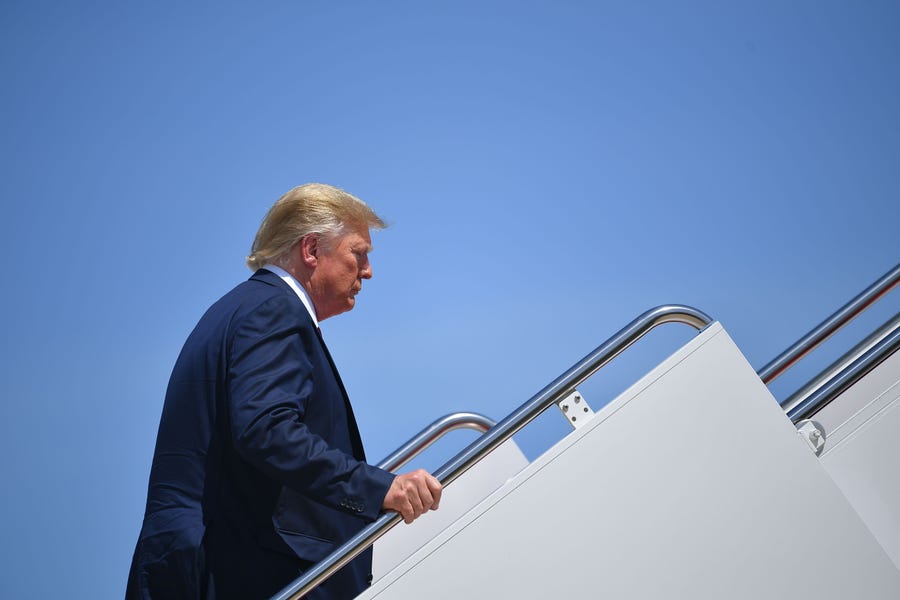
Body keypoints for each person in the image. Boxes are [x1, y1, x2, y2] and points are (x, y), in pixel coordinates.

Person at [127, 183, 442, 599]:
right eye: (358, 253)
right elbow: (267, 430)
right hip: (234, 572)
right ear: (311, 249)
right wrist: (379, 488)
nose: (367, 271)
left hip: (198, 565)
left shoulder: (239, 308)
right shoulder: (273, 309)